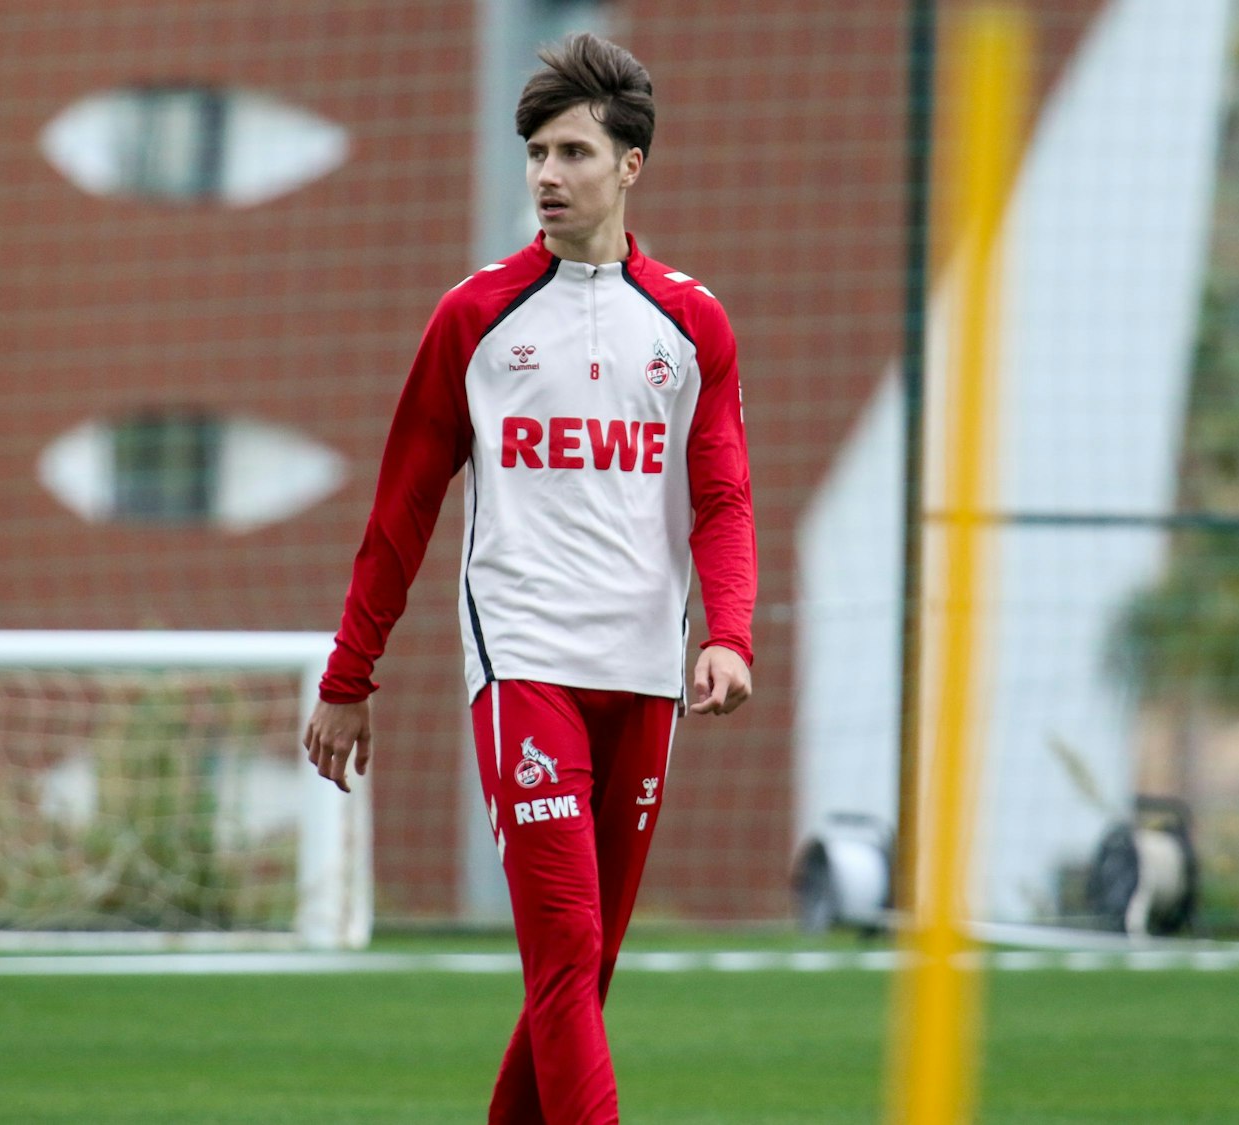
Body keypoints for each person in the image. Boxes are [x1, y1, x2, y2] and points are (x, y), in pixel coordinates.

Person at [302, 32, 756, 1125]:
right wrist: (347, 673)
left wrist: (725, 632)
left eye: (571, 153)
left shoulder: (691, 325)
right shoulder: (473, 320)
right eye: (534, 154)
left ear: (628, 165)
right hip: (524, 666)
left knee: (583, 973)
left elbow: (723, 498)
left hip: (644, 672)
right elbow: (399, 513)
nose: (546, 175)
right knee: (564, 955)